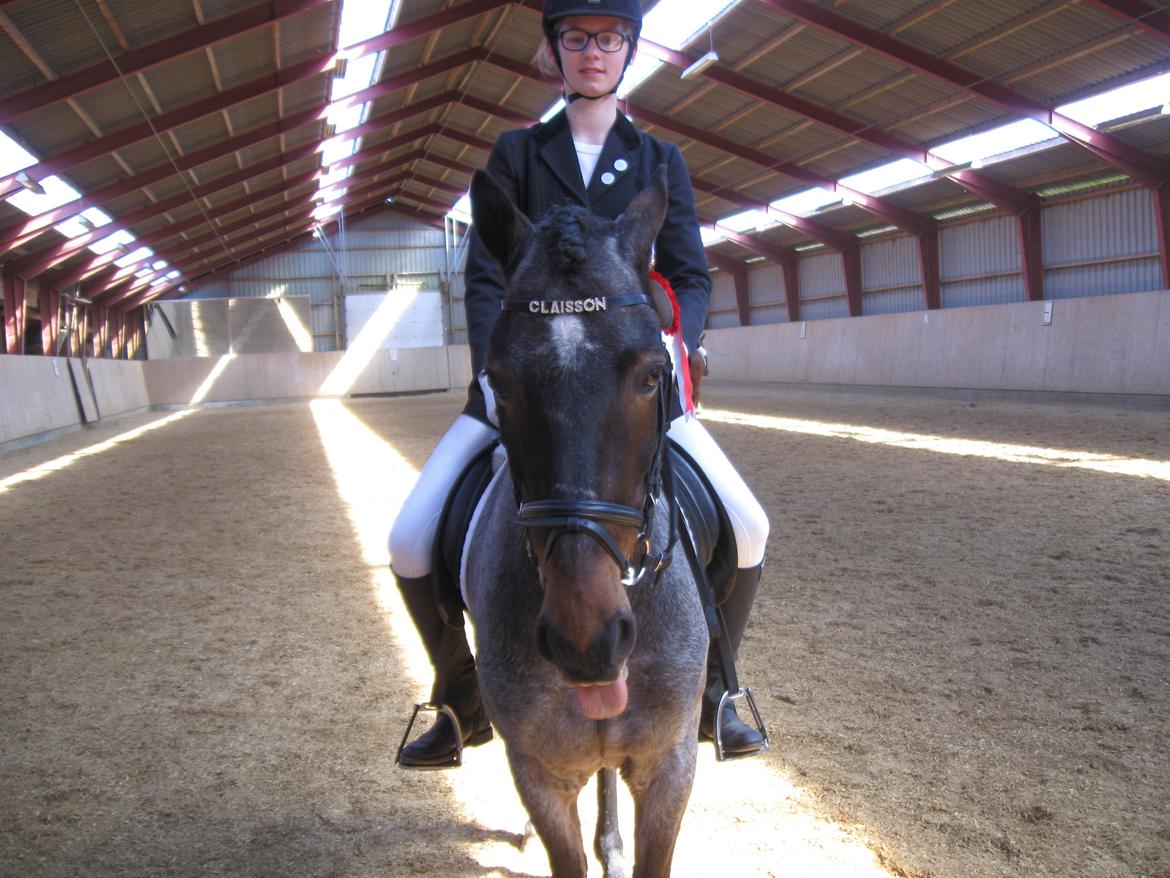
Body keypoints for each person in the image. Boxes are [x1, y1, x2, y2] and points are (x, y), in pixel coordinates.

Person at [389, 0, 770, 769]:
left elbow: (691, 275)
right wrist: (499, 374)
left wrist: (669, 343)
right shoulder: (517, 155)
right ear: (552, 51)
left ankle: (716, 689)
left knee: (750, 524)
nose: (592, 52)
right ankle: (459, 694)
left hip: (631, 388)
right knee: (408, 537)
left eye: (608, 39)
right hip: (529, 389)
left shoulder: (661, 160)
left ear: (627, 50)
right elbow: (485, 279)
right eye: (576, 38)